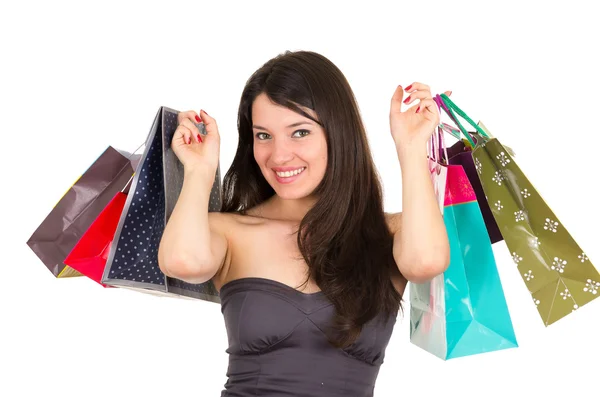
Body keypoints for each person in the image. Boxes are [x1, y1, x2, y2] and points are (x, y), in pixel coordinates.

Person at [157, 50, 451, 396]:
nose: (279, 155)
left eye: (299, 132)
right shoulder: (230, 232)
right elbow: (181, 263)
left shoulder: (388, 234)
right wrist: (199, 170)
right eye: (263, 136)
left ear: (337, 133)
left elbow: (426, 262)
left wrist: (412, 148)